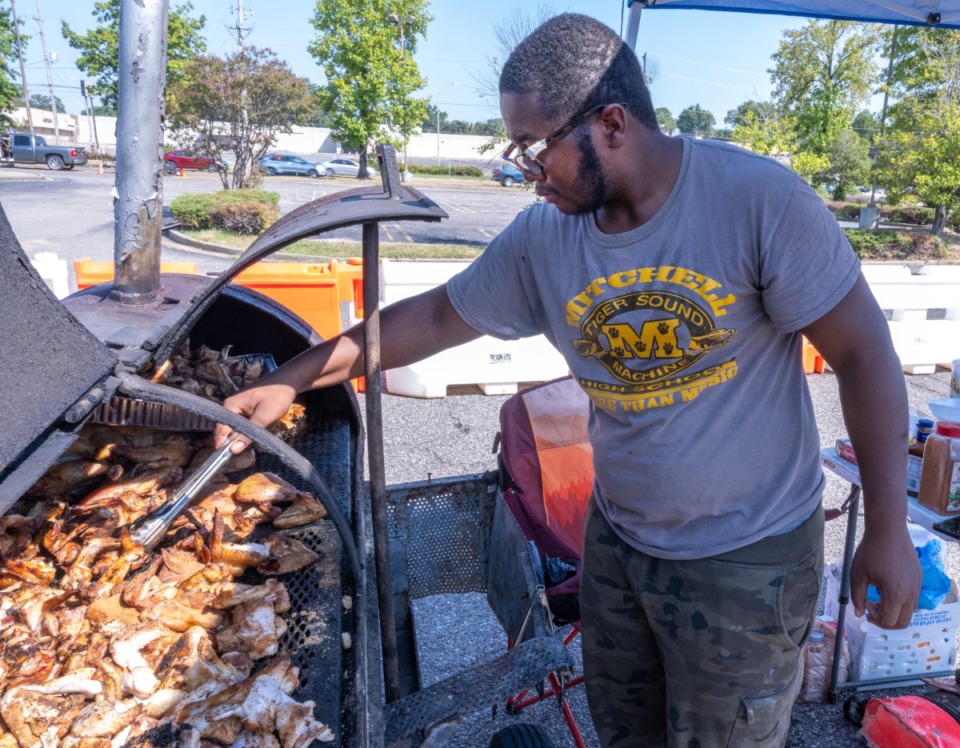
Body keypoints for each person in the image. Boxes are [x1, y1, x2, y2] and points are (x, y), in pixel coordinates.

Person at [217, 13, 922, 747]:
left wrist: (890, 532)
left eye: (534, 146)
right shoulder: (545, 236)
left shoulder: (758, 203)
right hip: (619, 541)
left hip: (748, 558)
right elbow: (433, 316)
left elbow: (865, 357)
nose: (523, 170)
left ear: (611, 124)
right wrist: (295, 377)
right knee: (625, 731)